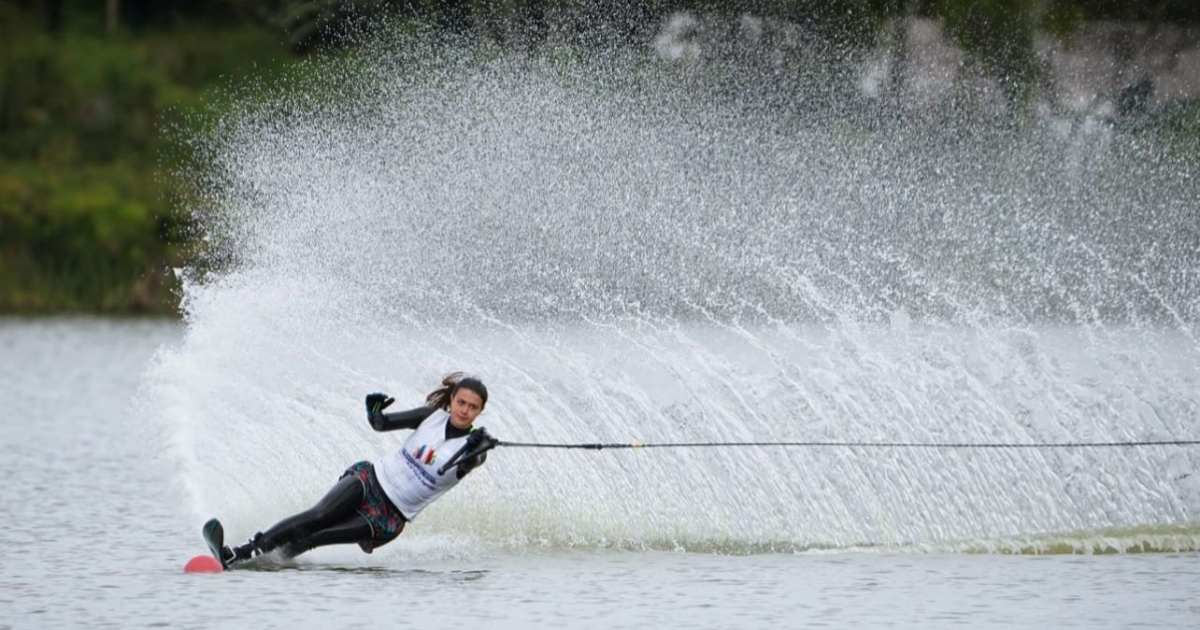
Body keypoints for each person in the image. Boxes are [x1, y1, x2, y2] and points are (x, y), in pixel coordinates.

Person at [219, 372, 498, 566]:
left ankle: (271, 561)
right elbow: (382, 424)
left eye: (472, 407)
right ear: (451, 401)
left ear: (480, 412)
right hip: (371, 479)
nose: (464, 410)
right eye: (461, 402)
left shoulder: (475, 450)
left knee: (319, 536)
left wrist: (476, 447)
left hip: (389, 515)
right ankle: (244, 553)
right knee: (318, 516)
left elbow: (472, 462)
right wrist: (374, 413)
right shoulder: (431, 417)